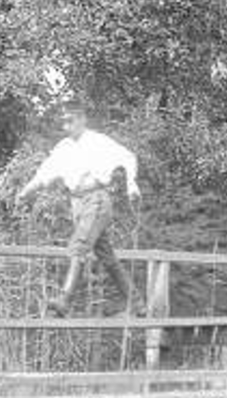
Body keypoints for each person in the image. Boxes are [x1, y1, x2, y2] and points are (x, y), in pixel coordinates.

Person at [16, 99, 144, 317]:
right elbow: (43, 175)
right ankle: (138, 304)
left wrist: (131, 184)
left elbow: (127, 157)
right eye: (63, 122)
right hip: (77, 204)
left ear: (82, 119)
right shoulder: (63, 148)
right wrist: (25, 193)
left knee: (78, 246)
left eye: (71, 120)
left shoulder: (98, 141)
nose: (66, 126)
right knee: (107, 257)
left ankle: (65, 299)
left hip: (97, 200)